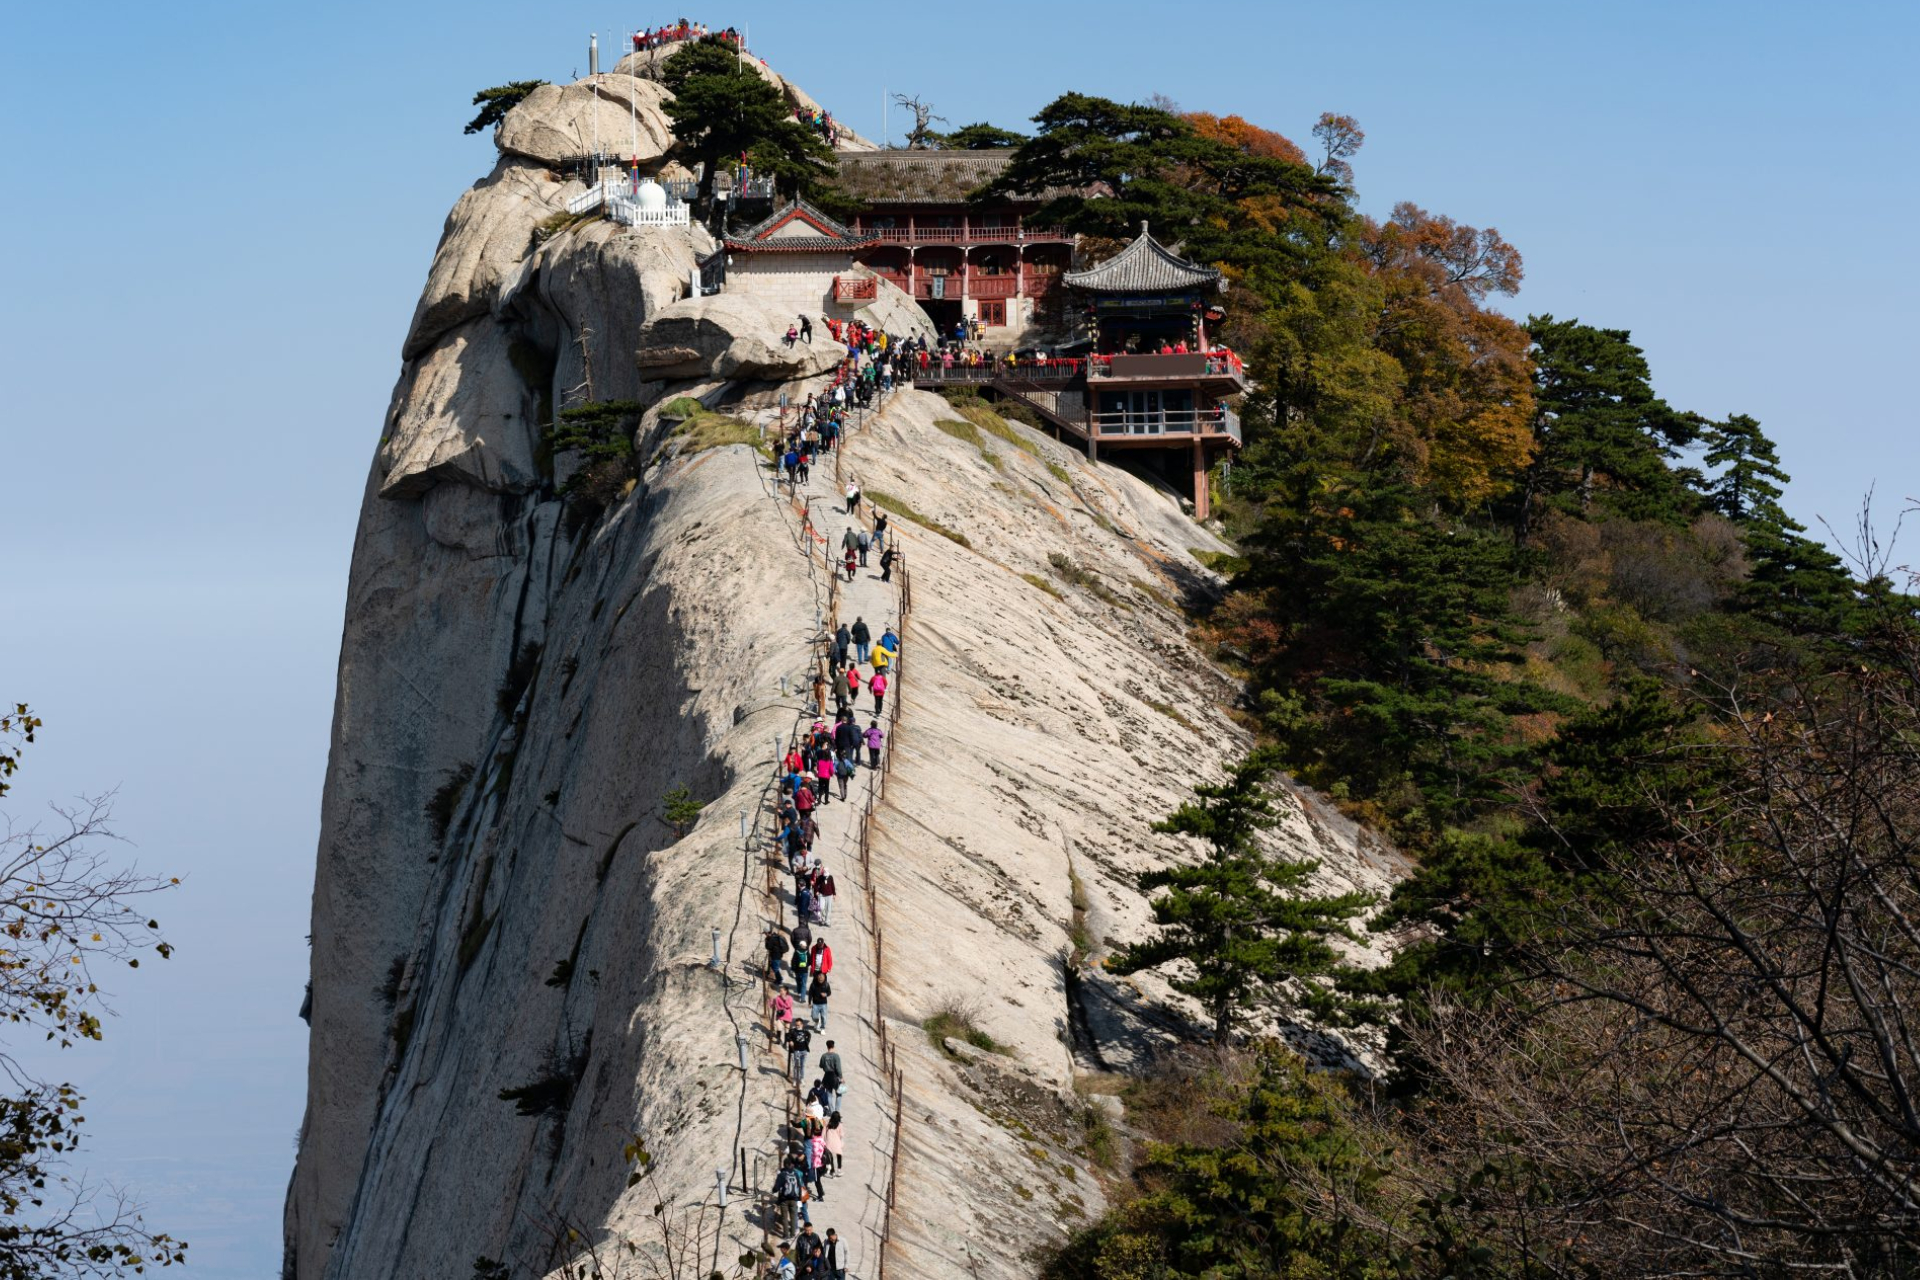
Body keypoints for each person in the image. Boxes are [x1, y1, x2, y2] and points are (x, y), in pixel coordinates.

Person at [786, 1018, 812, 1084]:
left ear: (802, 1025)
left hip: (804, 1051)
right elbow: (787, 1036)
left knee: (802, 1065)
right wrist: (790, 1041)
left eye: (798, 1025)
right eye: (796, 1025)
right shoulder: (793, 1031)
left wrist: (807, 1042)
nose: (797, 1026)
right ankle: (795, 1079)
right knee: (796, 1065)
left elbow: (809, 1035)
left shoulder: (805, 1031)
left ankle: (802, 1078)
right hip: (796, 1051)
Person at [818, 1042, 843, 1110]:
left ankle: (831, 1111)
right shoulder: (836, 1056)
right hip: (835, 1077)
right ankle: (836, 1111)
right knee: (839, 1094)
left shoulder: (824, 1056)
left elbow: (821, 1065)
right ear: (833, 1046)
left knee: (829, 1095)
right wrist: (841, 1077)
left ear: (827, 1046)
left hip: (827, 1076)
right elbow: (838, 1068)